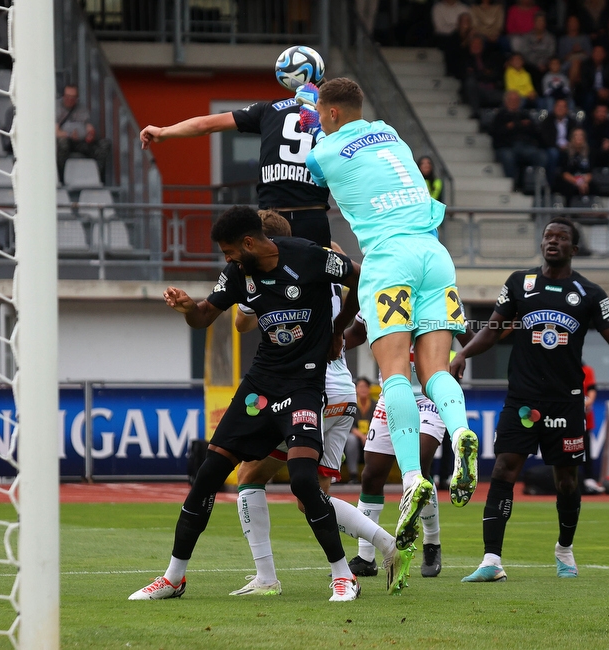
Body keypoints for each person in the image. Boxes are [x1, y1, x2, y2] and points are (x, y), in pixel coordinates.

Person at [128, 206, 365, 602]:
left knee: (304, 481)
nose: (228, 259)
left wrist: (340, 329)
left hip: (304, 386)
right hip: (259, 388)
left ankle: (344, 576)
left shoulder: (308, 255)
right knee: (208, 474)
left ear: (250, 242)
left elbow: (360, 276)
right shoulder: (239, 275)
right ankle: (173, 578)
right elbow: (205, 316)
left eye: (229, 251)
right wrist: (189, 309)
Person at [301, 78, 480, 551]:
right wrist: (321, 117)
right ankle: (461, 431)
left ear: (332, 114)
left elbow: (313, 170)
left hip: (389, 259)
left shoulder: (325, 146)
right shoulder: (390, 133)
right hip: (434, 255)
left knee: (395, 374)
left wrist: (309, 125)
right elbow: (357, 142)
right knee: (436, 370)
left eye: (322, 113)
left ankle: (415, 478)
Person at [227, 213, 409, 597]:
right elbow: (356, 278)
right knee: (312, 494)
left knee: (249, 476)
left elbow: (242, 325)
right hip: (341, 387)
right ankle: (390, 547)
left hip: (307, 388)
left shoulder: (265, 274)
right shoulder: (325, 258)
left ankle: (267, 577)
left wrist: (249, 301)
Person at [452, 218, 609, 582]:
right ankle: (491, 560)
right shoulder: (520, 282)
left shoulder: (589, 292)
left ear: (574, 248)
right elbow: (492, 330)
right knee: (504, 469)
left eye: (562, 238)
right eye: (549, 236)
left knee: (567, 481)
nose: (553, 242)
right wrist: (463, 355)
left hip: (566, 402)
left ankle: (564, 549)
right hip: (522, 397)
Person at [139, 57, 331, 245]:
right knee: (320, 272)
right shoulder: (332, 116)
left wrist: (164, 132)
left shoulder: (268, 110)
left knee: (262, 275)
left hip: (271, 219)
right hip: (312, 215)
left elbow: (205, 124)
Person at [345, 318, 451, 579]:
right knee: (372, 474)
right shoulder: (377, 294)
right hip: (391, 394)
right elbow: (356, 332)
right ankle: (365, 557)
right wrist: (327, 341)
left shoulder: (436, 294)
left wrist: (461, 358)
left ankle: (431, 543)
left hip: (429, 395)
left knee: (420, 465)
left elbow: (469, 335)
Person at [490, 90, 547, 186]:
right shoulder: (500, 116)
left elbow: (536, 132)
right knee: (508, 156)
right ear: (506, 101)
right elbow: (495, 134)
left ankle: (535, 186)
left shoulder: (525, 115)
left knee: (541, 156)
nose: (514, 102)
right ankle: (512, 185)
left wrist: (527, 126)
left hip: (525, 146)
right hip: (507, 146)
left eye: (516, 100)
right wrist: (509, 127)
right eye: (511, 100)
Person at [56, 84, 111, 185]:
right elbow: (54, 131)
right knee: (62, 144)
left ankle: (98, 178)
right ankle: (62, 179)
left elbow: (89, 126)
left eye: (72, 97)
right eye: (67, 96)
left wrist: (90, 134)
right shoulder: (56, 107)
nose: (69, 100)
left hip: (80, 140)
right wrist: (69, 135)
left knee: (104, 144)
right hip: (64, 140)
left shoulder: (81, 108)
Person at [541, 98, 578, 180]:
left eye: (563, 107)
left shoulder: (572, 122)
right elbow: (545, 139)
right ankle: (551, 182)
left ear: (567, 109)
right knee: (553, 153)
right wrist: (559, 147)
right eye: (558, 106)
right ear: (554, 107)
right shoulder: (547, 121)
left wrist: (569, 145)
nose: (560, 109)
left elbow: (576, 136)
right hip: (553, 147)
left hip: (569, 147)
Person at [581, 362, 604, 493]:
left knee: (585, 447)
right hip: (563, 419)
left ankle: (588, 479)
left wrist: (585, 403)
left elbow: (591, 391)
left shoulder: (587, 370)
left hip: (584, 418)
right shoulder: (560, 368)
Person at [555, 128, 594, 200]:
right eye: (576, 135)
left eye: (581, 135)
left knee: (592, 187)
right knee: (568, 188)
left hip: (584, 179)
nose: (579, 137)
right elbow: (564, 173)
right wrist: (578, 182)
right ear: (572, 138)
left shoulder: (589, 153)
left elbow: (590, 173)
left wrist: (583, 182)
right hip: (570, 179)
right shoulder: (565, 153)